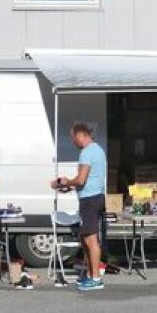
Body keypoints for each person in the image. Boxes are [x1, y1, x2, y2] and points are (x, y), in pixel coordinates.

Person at [50, 121, 107, 291]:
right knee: (85, 237)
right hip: (93, 196)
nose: (72, 141)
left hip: (90, 199)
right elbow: (86, 180)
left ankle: (95, 278)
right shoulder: (98, 149)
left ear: (80, 135)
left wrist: (66, 181)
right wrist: (68, 186)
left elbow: (81, 179)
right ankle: (90, 274)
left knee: (90, 238)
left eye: (73, 138)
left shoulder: (87, 153)